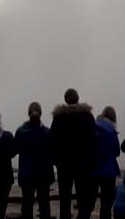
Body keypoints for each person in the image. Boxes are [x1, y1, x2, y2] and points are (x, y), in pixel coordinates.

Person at [52, 89, 98, 219]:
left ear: (65, 99)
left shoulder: (58, 118)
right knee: (83, 198)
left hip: (64, 165)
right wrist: (91, 161)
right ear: (78, 99)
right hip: (83, 164)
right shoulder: (87, 117)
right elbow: (93, 140)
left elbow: (53, 141)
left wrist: (56, 161)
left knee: (64, 199)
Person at [17, 102, 55, 219]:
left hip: (26, 172)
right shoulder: (47, 132)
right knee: (44, 203)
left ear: (28, 113)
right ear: (41, 113)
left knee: (27, 203)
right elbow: (53, 152)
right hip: (44, 173)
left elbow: (16, 149)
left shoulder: (20, 132)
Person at [93, 107, 121, 219]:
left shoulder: (93, 127)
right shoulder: (112, 131)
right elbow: (117, 151)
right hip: (109, 170)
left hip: (93, 169)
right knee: (107, 202)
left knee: (88, 201)